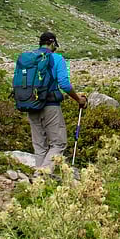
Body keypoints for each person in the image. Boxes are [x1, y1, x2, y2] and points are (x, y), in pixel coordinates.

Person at [27, 31, 87, 171]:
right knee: (58, 144)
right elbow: (64, 84)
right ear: (52, 43)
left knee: (40, 145)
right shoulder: (57, 59)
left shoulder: (29, 58)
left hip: (30, 104)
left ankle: (38, 183)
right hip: (50, 106)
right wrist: (78, 99)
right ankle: (41, 176)